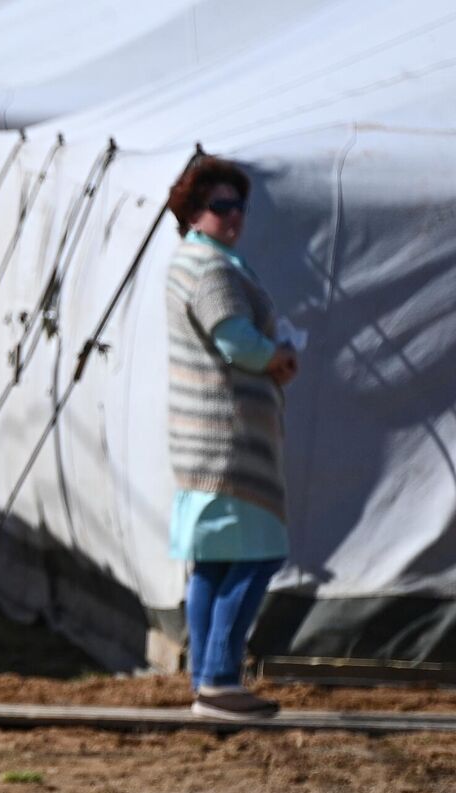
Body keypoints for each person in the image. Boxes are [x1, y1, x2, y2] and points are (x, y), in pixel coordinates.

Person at [164, 157, 298, 722]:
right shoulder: (213, 269)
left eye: (239, 205)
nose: (234, 215)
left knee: (213, 562)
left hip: (200, 438)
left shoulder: (186, 261)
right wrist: (280, 357)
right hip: (231, 443)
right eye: (221, 206)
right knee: (261, 554)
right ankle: (220, 678)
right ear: (196, 212)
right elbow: (236, 341)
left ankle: (206, 678)